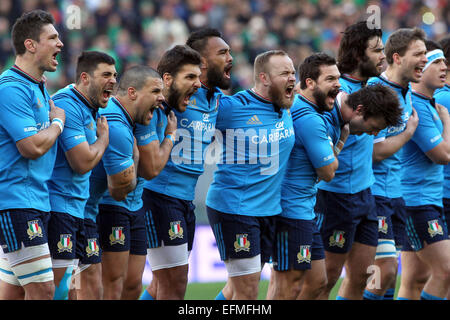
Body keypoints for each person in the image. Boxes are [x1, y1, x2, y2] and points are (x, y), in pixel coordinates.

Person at [140, 32, 231, 300]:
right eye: (222, 53)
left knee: (160, 286)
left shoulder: (215, 100)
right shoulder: (174, 95)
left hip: (184, 201)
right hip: (158, 196)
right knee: (175, 285)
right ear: (202, 63)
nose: (230, 58)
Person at [206, 50, 296, 300]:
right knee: (247, 293)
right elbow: (197, 113)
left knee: (236, 289)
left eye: (293, 72)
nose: (292, 78)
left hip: (268, 212)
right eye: (284, 73)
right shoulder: (234, 107)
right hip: (235, 207)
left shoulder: (288, 106)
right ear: (264, 78)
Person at [314, 21, 387, 300]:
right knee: (325, 279)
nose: (382, 55)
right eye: (377, 50)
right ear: (358, 55)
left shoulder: (374, 87)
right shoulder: (336, 91)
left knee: (361, 278)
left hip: (365, 194)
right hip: (334, 197)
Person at [81, 65, 165, 300]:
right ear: (132, 92)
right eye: (156, 91)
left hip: (135, 205)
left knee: (132, 285)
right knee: (110, 284)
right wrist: (139, 158)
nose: (162, 98)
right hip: (109, 207)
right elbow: (118, 190)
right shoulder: (114, 121)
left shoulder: (137, 116)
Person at [267, 52, 344, 300]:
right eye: (330, 78)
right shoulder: (309, 118)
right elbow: (328, 172)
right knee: (288, 286)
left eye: (339, 78)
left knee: (317, 280)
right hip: (290, 210)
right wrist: (342, 139)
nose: (338, 85)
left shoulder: (299, 107)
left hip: (303, 208)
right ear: (310, 83)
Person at [0, 10, 65, 300]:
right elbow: (32, 146)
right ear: (30, 45)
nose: (60, 44)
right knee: (43, 291)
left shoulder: (37, 88)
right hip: (16, 203)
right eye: (52, 38)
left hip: (36, 201)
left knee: (13, 295)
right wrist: (58, 123)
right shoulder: (11, 89)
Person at [47, 51, 116, 300]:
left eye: (115, 75)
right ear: (85, 77)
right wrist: (104, 139)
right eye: (106, 74)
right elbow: (82, 162)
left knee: (88, 286)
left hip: (82, 210)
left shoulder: (92, 108)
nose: (113, 80)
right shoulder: (67, 103)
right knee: (58, 289)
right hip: (59, 208)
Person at [365, 28, 427, 300]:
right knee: (385, 270)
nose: (424, 59)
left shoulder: (406, 91)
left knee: (390, 281)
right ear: (397, 58)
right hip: (374, 193)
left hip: (396, 194)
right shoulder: (377, 91)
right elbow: (375, 152)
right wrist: (409, 133)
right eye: (419, 54)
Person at [397, 40, 450, 300]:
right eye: (436, 62)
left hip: (428, 199)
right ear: (420, 69)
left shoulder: (428, 103)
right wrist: (447, 123)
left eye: (444, 62)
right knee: (445, 271)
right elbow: (443, 155)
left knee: (415, 279)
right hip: (416, 202)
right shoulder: (420, 105)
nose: (444, 67)